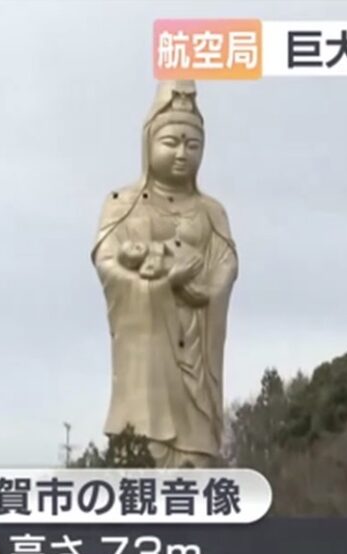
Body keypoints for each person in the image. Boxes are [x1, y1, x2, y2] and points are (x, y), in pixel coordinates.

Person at [91, 80, 238, 468]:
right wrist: (164, 283)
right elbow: (107, 262)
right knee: (146, 452)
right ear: (148, 143)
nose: (182, 154)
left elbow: (226, 265)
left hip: (196, 342)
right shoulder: (122, 203)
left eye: (193, 145)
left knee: (196, 457)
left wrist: (203, 289)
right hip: (148, 348)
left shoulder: (212, 212)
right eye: (171, 143)